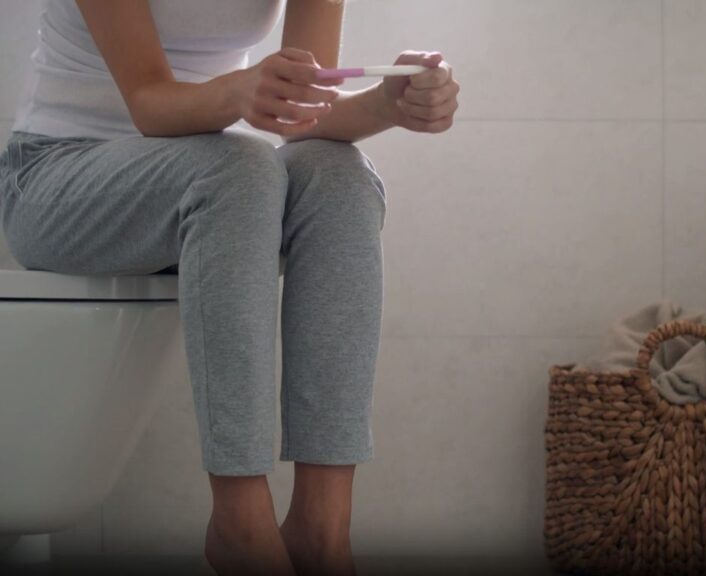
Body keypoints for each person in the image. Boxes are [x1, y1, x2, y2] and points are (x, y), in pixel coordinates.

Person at [0, 0, 460, 574]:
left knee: (340, 177)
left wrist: (389, 103)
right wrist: (239, 92)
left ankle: (322, 528)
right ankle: (241, 523)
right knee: (239, 168)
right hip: (56, 178)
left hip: (192, 185)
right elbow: (148, 101)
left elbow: (304, 117)